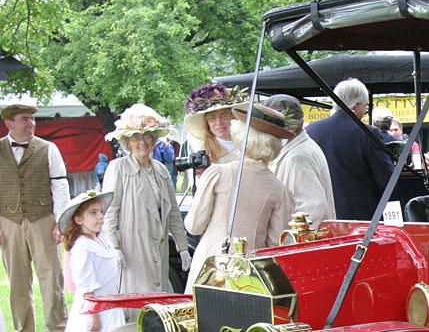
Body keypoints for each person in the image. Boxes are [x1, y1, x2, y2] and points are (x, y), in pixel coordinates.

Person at [184, 103, 294, 288]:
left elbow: (194, 226)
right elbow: (276, 243)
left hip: (211, 269)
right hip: (251, 276)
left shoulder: (218, 173)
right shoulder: (279, 189)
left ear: (241, 137)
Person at [49, 190, 137, 332]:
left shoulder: (102, 239)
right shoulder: (82, 247)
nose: (100, 217)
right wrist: (93, 314)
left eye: (100, 212)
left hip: (109, 303)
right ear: (79, 220)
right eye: (93, 213)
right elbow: (86, 284)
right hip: (94, 306)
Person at [101, 104, 191, 295]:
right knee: (136, 298)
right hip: (132, 247)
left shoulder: (160, 169)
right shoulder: (118, 168)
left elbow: (173, 212)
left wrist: (183, 247)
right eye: (136, 137)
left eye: (147, 136)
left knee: (159, 296)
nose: (143, 142)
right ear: (128, 143)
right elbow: (109, 211)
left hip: (159, 246)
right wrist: (114, 247)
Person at [1, 103, 69, 332]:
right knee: (17, 278)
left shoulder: (49, 148)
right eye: (24, 119)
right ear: (9, 123)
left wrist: (61, 221)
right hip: (8, 220)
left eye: (33, 119)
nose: (31, 124)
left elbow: (60, 186)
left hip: (43, 218)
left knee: (51, 275)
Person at [305, 78, 396, 220]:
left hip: (321, 216)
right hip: (360, 217)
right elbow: (387, 180)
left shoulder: (311, 130)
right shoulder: (367, 134)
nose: (365, 111)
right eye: (365, 107)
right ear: (357, 105)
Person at [262, 94, 335, 227]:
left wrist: (289, 242)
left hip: (303, 244)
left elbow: (314, 210)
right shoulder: (300, 148)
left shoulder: (297, 157)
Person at [183, 83, 249, 166]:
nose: (219, 122)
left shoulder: (250, 144)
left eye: (224, 116)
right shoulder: (203, 152)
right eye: (212, 118)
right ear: (207, 123)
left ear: (234, 117)